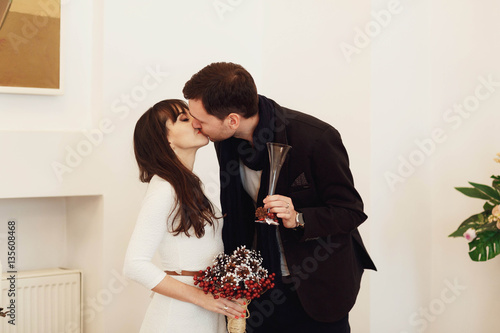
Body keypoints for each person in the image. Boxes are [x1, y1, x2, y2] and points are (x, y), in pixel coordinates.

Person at [182, 62, 377, 333]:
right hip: (258, 287)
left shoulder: (315, 137)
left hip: (316, 286)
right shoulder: (226, 141)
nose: (195, 125)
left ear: (232, 120)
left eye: (200, 120)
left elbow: (351, 211)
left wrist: (298, 217)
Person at [123, 99, 246, 333]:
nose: (196, 122)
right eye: (184, 119)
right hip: (178, 319)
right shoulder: (164, 190)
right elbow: (134, 264)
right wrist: (202, 298)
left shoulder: (188, 186)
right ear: (165, 139)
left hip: (204, 314)